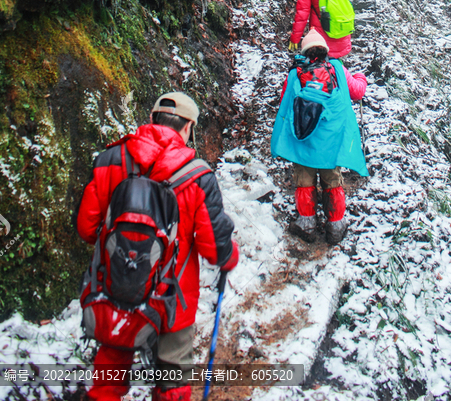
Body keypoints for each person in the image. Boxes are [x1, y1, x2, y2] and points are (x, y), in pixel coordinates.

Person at [76, 92, 239, 401]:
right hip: (172, 299)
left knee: (108, 375)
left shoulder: (110, 159)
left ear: (151, 120)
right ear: (189, 127)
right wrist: (229, 256)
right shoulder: (198, 176)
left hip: (114, 289)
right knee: (173, 378)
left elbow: (86, 228)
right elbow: (214, 248)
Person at [271, 29, 368, 244]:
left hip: (303, 139)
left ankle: (306, 223)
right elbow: (357, 92)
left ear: (305, 52)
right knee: (333, 180)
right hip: (330, 142)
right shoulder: (337, 69)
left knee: (304, 180)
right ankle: (335, 226)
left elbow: (285, 104)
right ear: (325, 49)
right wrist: (361, 77)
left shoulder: (296, 74)